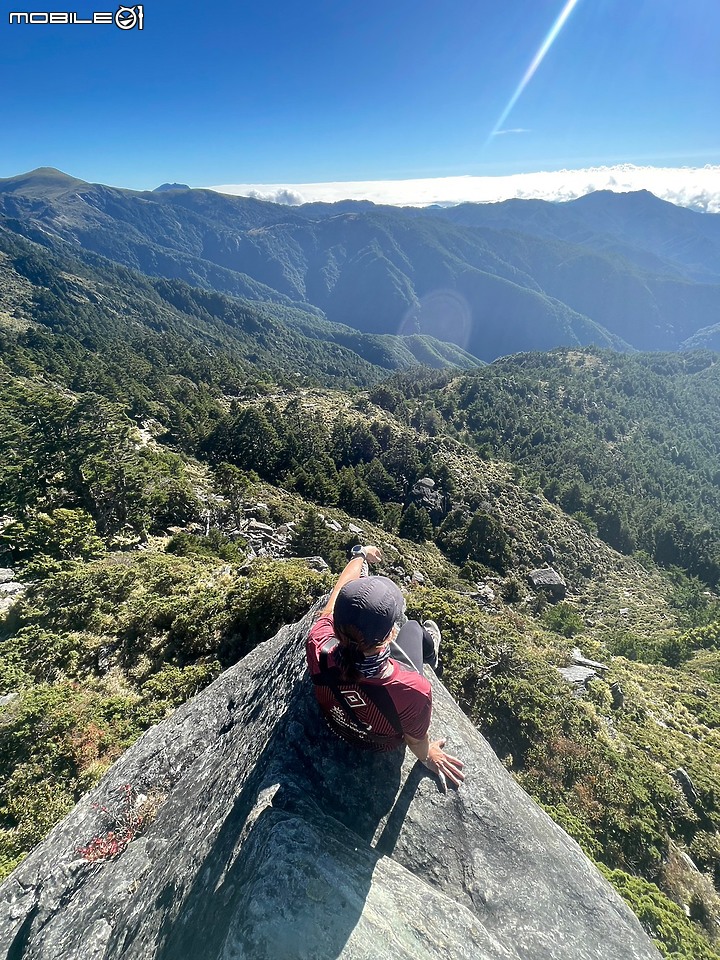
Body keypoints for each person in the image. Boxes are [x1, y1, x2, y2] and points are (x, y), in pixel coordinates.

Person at [306, 544, 464, 791]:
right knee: (413, 628)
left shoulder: (318, 643)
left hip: (335, 721)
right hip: (378, 743)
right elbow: (415, 739)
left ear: (336, 622)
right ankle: (430, 651)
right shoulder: (411, 689)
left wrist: (359, 554)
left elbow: (338, 591)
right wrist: (427, 755)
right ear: (390, 634)